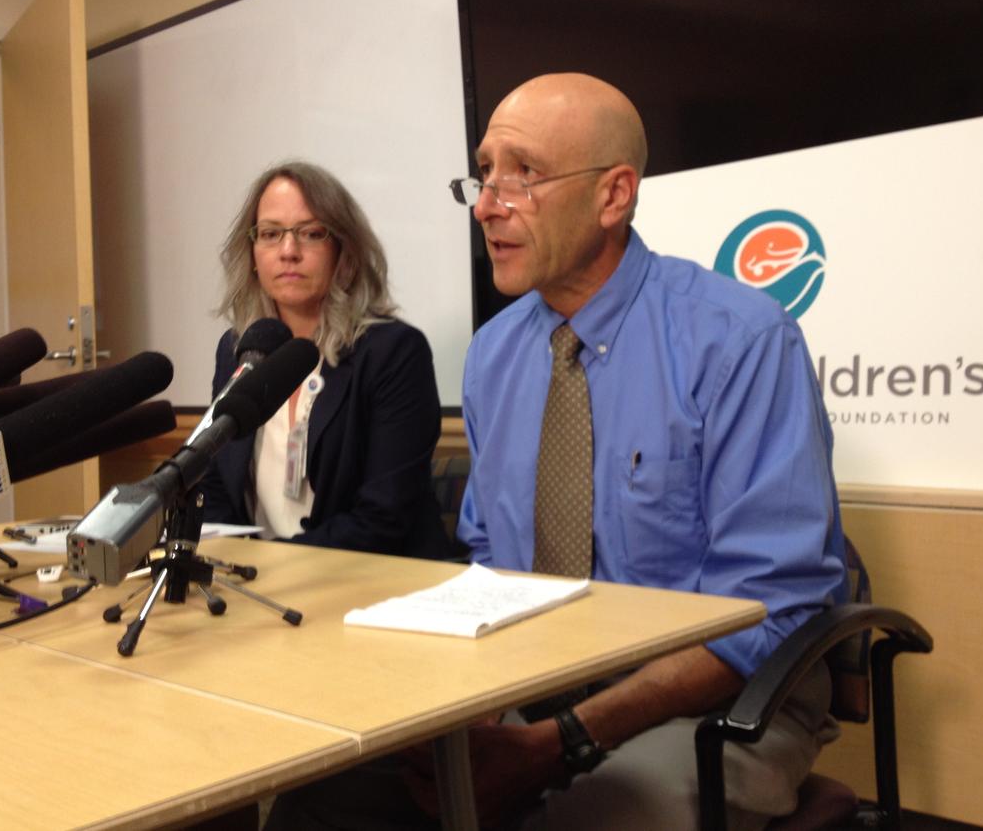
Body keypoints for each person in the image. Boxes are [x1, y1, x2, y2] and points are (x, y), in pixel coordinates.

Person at [440, 73, 850, 829]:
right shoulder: (493, 355)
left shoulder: (739, 341)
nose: (490, 204)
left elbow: (767, 610)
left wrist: (560, 739)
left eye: (523, 174)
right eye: (485, 172)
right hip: (535, 689)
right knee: (347, 788)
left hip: (721, 705)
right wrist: (480, 714)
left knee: (590, 819)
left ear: (614, 196)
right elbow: (489, 553)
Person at [198, 161, 451, 561]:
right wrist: (234, 566)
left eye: (311, 234)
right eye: (270, 234)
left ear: (344, 251)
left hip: (371, 585)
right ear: (251, 253)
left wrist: (270, 566)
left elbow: (383, 517)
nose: (288, 251)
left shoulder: (393, 351)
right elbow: (213, 481)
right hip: (255, 587)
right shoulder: (239, 349)